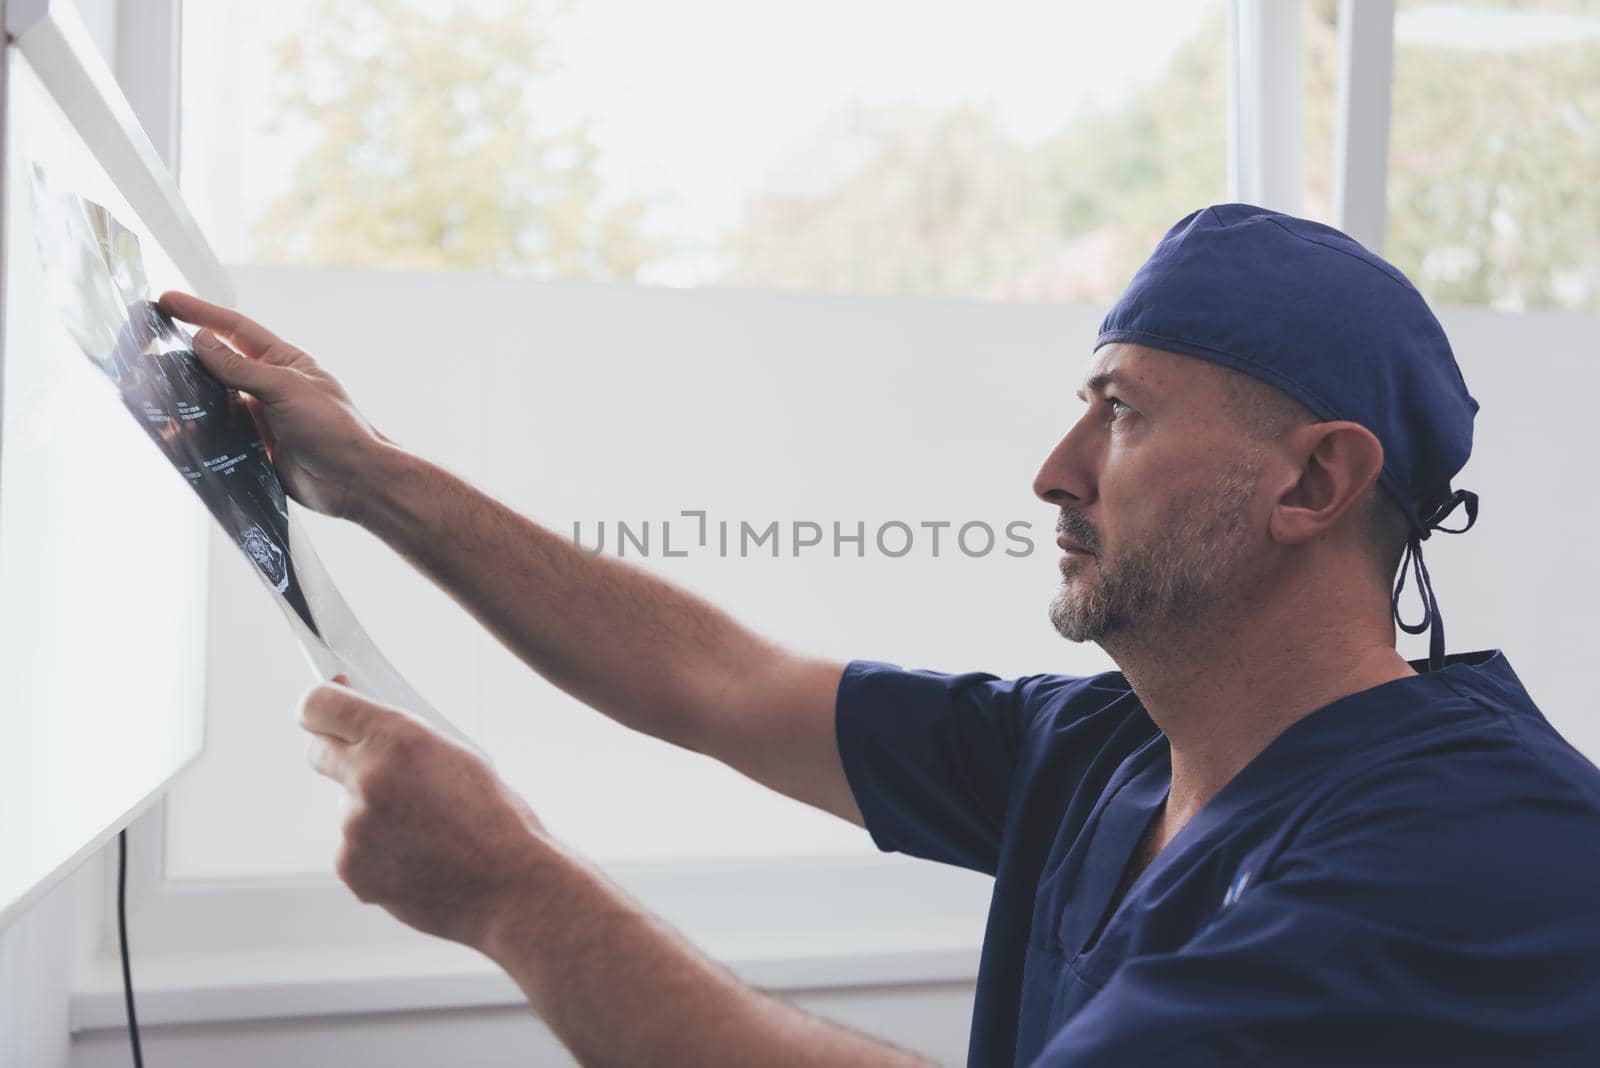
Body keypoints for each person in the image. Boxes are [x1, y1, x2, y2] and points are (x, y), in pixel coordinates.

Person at [158, 204, 1600, 1067]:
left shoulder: (1484, 849)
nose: (1055, 469)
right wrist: (368, 477)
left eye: (1124, 411)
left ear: (1313, 482)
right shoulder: (1108, 749)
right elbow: (722, 682)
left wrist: (508, 890)